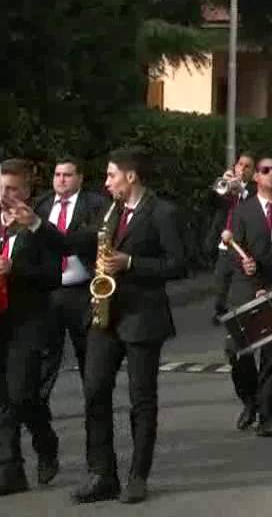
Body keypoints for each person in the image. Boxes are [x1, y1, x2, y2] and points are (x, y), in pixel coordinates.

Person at [15, 148, 186, 504]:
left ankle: (138, 475)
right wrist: (34, 222)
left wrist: (131, 262)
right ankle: (102, 473)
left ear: (131, 176)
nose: (106, 183)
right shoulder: (111, 211)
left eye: (111, 176)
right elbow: (70, 242)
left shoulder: (162, 212)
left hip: (143, 317)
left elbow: (178, 264)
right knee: (94, 391)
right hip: (104, 314)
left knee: (142, 398)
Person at [0, 159, 62, 495]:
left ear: (26, 191)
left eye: (11, 189)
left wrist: (14, 270)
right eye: (0, 188)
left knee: (23, 395)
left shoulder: (38, 228)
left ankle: (45, 441)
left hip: (28, 322)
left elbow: (53, 276)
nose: (4, 195)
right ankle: (10, 470)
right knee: (2, 400)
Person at [229, 155, 272, 437]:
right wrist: (243, 265)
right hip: (246, 288)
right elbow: (232, 249)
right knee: (236, 351)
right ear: (255, 176)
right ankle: (250, 401)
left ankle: (267, 416)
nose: (271, 174)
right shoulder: (243, 211)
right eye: (265, 170)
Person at [34, 158, 107, 412]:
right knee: (47, 352)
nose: (61, 180)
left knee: (86, 350)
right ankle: (39, 405)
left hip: (82, 289)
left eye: (67, 175)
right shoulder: (42, 204)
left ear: (80, 178)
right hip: (50, 290)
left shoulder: (95, 204)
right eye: (57, 174)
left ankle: (95, 403)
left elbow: (96, 237)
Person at [208, 153, 254, 325]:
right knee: (220, 280)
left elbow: (253, 205)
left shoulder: (254, 190)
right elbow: (211, 203)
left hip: (241, 244)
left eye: (247, 166)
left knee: (239, 284)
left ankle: (240, 314)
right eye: (240, 164)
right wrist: (220, 186)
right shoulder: (226, 186)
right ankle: (220, 310)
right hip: (224, 242)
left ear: (254, 172)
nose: (242, 168)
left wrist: (241, 191)